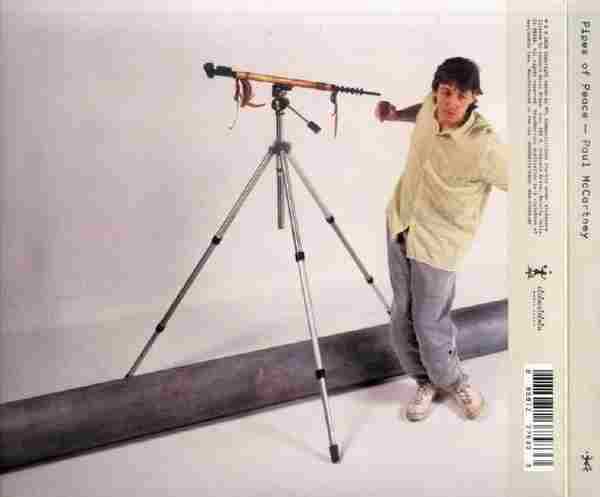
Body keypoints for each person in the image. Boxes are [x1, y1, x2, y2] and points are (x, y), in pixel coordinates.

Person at [375, 57, 509, 421]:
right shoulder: (430, 107)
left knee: (429, 320)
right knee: (401, 315)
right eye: (445, 92)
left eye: (461, 96)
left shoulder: (484, 145)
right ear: (436, 91)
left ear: (474, 97)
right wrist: (395, 115)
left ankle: (454, 381)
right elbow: (422, 111)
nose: (450, 102)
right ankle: (424, 381)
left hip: (439, 243)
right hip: (401, 223)